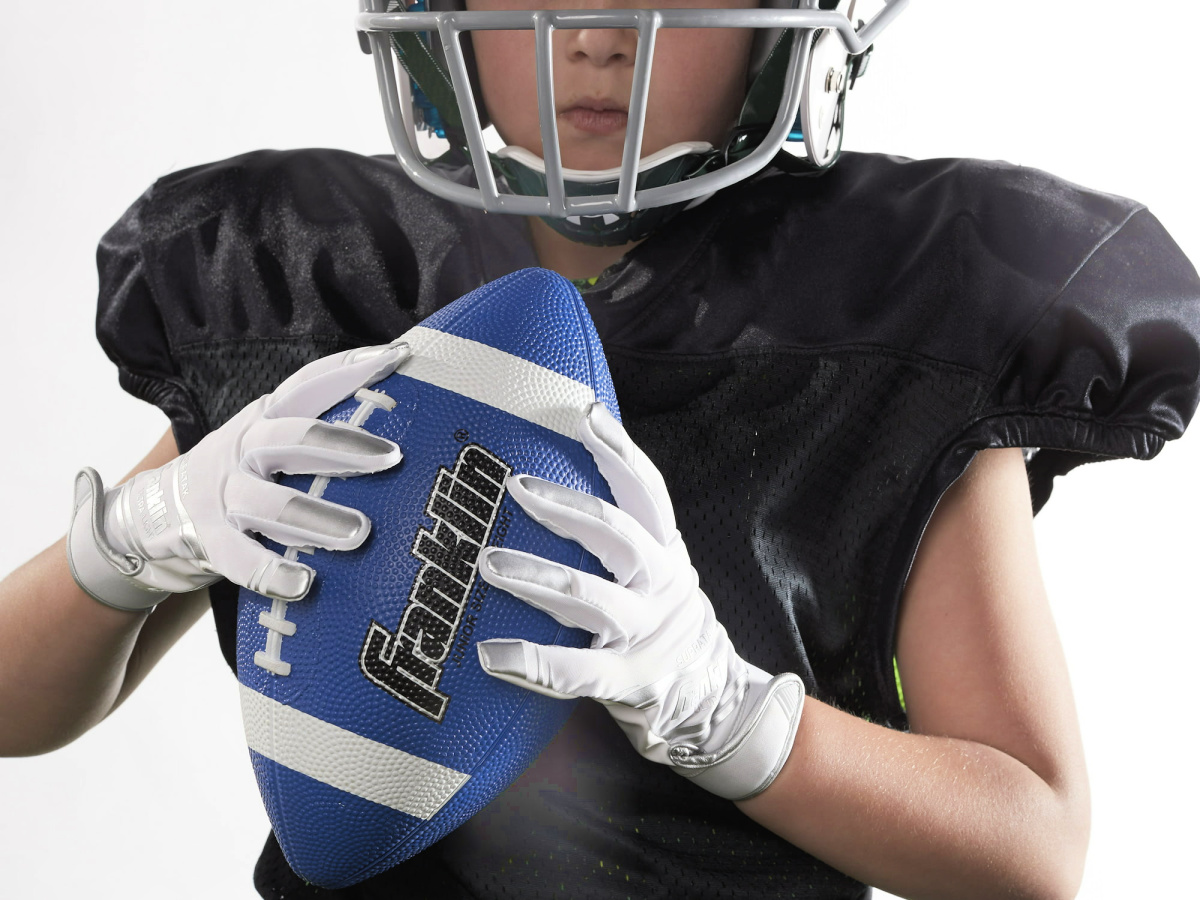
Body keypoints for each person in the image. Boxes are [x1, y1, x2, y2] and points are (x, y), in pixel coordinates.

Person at [1, 2, 1197, 899]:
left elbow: (1032, 841)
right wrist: (136, 540)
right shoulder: (315, 276)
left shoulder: (899, 312)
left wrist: (729, 718)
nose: (594, 36)